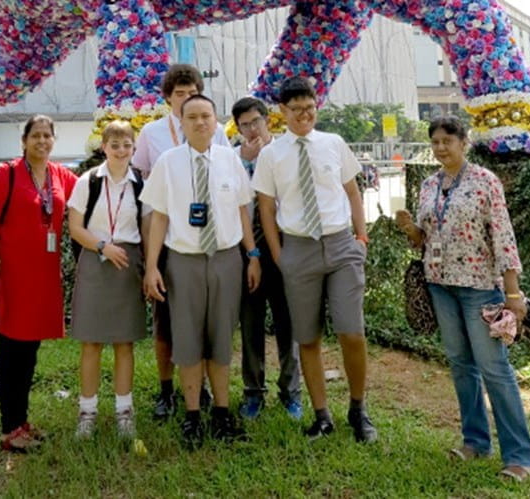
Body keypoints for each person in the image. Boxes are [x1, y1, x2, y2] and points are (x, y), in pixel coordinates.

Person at [394, 116, 530, 481]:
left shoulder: (484, 182)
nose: (441, 148)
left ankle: (521, 457)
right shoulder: (429, 184)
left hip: (479, 288)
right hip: (440, 286)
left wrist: (513, 293)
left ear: (464, 142)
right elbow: (424, 239)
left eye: (448, 141)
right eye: (436, 142)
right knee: (460, 365)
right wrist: (410, 227)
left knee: (494, 369)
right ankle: (475, 441)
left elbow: (503, 238)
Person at [252, 76, 378, 443]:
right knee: (307, 337)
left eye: (309, 108)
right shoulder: (271, 155)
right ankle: (322, 415)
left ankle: (358, 409)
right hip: (298, 251)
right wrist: (279, 255)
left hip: (341, 247)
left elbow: (352, 191)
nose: (304, 115)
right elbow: (266, 208)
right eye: (296, 109)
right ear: (282, 112)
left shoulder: (333, 144)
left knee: (351, 331)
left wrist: (361, 237)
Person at [141, 94, 261, 449]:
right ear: (181, 122)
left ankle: (222, 413)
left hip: (226, 259)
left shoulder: (229, 160)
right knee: (188, 338)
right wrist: (151, 267)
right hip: (184, 261)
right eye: (191, 117)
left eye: (206, 116)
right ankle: (193, 415)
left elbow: (242, 210)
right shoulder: (168, 162)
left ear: (215, 120)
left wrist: (252, 254)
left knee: (222, 338)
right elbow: (159, 217)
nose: (200, 123)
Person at [132, 64, 231, 420]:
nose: (186, 99)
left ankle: (202, 387)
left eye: (192, 93)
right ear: (168, 98)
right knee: (166, 317)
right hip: (163, 223)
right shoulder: (151, 133)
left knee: (203, 317)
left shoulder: (215, 130)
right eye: (179, 94)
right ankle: (165, 390)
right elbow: (143, 178)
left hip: (204, 235)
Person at [0, 114, 79, 452]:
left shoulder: (60, 176)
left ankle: (21, 422)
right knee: (12, 352)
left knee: (29, 351)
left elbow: (89, 193)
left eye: (48, 136)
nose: (42, 141)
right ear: (24, 141)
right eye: (36, 135)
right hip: (14, 275)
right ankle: (9, 429)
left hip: (44, 277)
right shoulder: (7, 174)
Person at [67, 121, 149, 439]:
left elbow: (147, 226)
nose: (120, 150)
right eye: (114, 144)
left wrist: (146, 267)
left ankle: (124, 412)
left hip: (127, 264)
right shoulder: (88, 181)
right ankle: (87, 413)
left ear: (134, 147)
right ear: (104, 147)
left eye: (126, 144)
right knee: (91, 342)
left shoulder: (140, 183)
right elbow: (75, 227)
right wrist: (103, 246)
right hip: (96, 260)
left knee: (124, 341)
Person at [230, 96, 302, 420]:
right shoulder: (232, 160)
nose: (251, 129)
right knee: (251, 323)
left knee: (289, 322)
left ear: (267, 120)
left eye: (255, 121)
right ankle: (253, 392)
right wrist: (246, 161)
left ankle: (291, 393)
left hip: (286, 246)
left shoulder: (287, 151)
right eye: (244, 124)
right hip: (248, 251)